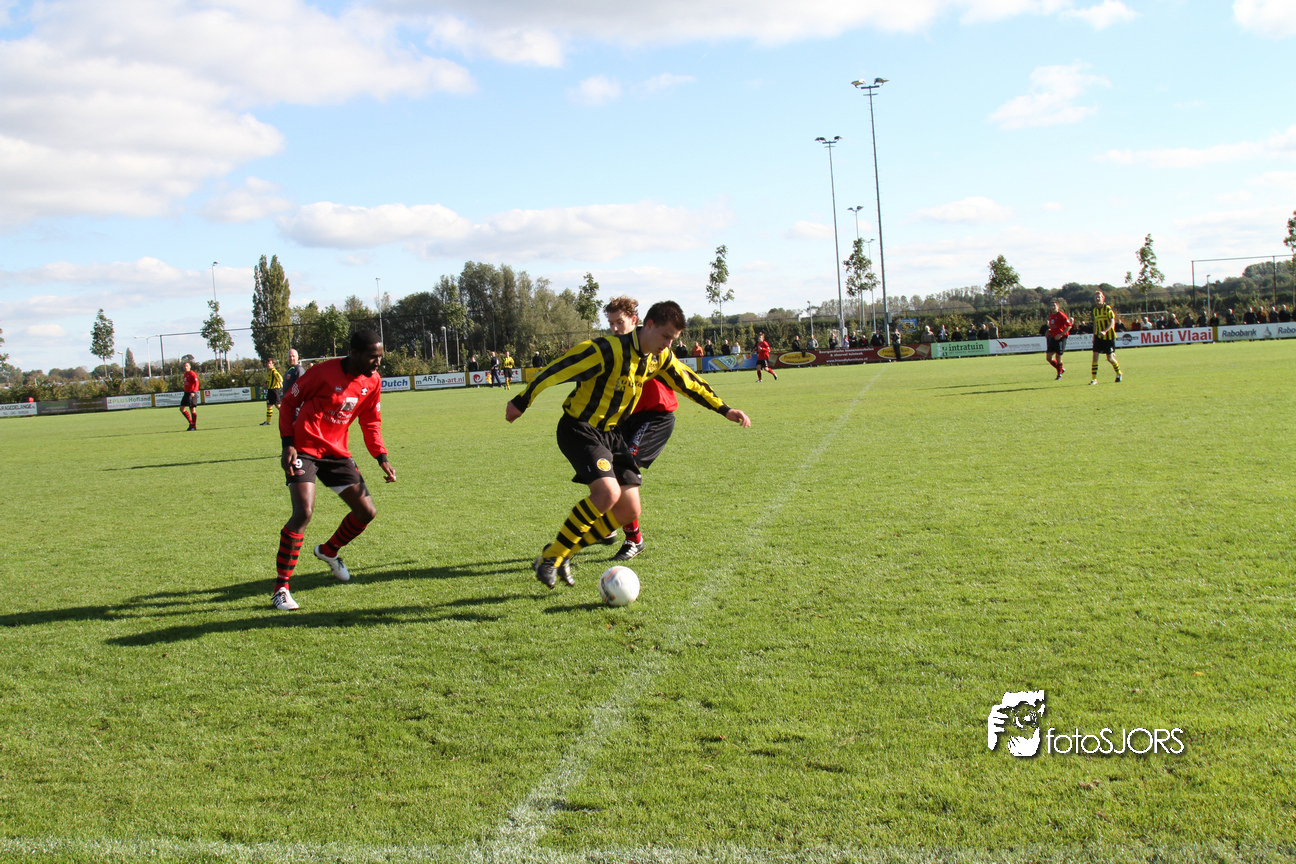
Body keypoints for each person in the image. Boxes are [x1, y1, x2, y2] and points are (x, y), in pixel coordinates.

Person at [505, 300, 751, 589]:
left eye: (672, 339)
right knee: (607, 493)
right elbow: (557, 369)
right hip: (579, 428)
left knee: (629, 510)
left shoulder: (659, 357)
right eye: (666, 336)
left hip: (612, 434)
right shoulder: (605, 350)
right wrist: (521, 401)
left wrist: (724, 409)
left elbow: (689, 382)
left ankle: (560, 552)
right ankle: (552, 558)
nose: (668, 344)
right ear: (649, 325)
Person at [271, 329, 396, 611]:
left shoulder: (373, 381)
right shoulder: (322, 373)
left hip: (336, 453)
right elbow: (289, 402)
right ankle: (281, 588)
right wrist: (287, 444)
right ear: (355, 353)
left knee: (366, 512)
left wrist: (381, 456)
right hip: (304, 448)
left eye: (380, 357)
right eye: (373, 357)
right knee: (303, 512)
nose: (378, 362)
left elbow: (370, 421)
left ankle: (328, 551)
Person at [1089, 290, 1123, 385]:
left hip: (1108, 337)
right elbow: (1095, 324)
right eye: (1096, 297)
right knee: (1095, 357)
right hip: (1098, 337)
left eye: (1099, 297)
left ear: (1103, 298)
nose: (1097, 299)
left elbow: (1112, 322)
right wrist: (1094, 336)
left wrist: (1105, 331)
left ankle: (1119, 373)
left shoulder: (1108, 309)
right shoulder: (1095, 310)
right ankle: (1094, 379)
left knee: (1110, 358)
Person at [1045, 300, 1074, 380]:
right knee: (1048, 357)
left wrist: (1061, 334)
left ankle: (1059, 374)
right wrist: (1049, 330)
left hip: (1061, 338)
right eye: (1051, 306)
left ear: (1058, 307)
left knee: (1058, 357)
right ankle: (1060, 369)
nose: (1052, 307)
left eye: (1054, 306)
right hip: (1053, 337)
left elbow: (1069, 326)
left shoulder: (1061, 315)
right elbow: (1055, 327)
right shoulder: (1051, 316)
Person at [262, 358, 283, 425]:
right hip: (270, 390)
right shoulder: (270, 372)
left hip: (275, 390)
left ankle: (287, 417)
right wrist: (262, 389)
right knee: (269, 405)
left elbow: (280, 378)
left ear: (273, 364)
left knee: (278, 405)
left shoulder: (274, 371)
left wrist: (281, 386)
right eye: (267, 363)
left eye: (270, 363)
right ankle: (268, 421)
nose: (268, 365)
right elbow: (267, 382)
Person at [180, 361, 200, 431]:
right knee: (182, 409)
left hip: (191, 393)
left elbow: (197, 383)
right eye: (184, 366)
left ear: (190, 366)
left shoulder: (192, 374)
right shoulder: (185, 374)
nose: (185, 367)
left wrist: (194, 391)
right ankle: (191, 423)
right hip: (186, 393)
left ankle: (193, 426)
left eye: (187, 366)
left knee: (192, 409)